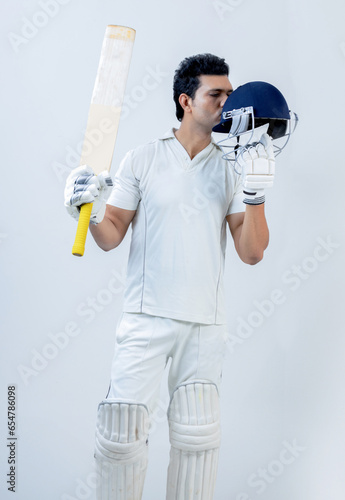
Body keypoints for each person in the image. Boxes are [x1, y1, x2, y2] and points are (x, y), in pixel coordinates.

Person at [64, 53, 272, 500]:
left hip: (204, 324)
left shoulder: (233, 167)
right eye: (215, 94)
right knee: (120, 435)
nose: (226, 104)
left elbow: (252, 253)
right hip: (145, 317)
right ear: (185, 100)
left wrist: (255, 195)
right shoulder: (142, 159)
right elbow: (109, 236)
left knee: (197, 441)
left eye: (229, 95)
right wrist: (91, 210)